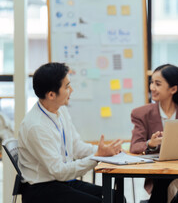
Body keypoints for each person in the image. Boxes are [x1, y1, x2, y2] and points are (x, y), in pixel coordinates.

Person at [18, 62, 124, 203]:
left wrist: (103, 151)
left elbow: (77, 147)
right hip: (41, 188)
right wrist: (98, 157)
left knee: (117, 198)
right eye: (67, 86)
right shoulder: (36, 126)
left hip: (61, 181)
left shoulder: (60, 110)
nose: (72, 90)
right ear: (51, 95)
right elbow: (59, 172)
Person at [130, 64, 178, 203]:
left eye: (157, 84)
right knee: (165, 183)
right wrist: (150, 144)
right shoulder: (141, 114)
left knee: (166, 184)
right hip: (160, 176)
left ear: (173, 89)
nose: (152, 87)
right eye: (151, 82)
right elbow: (134, 146)